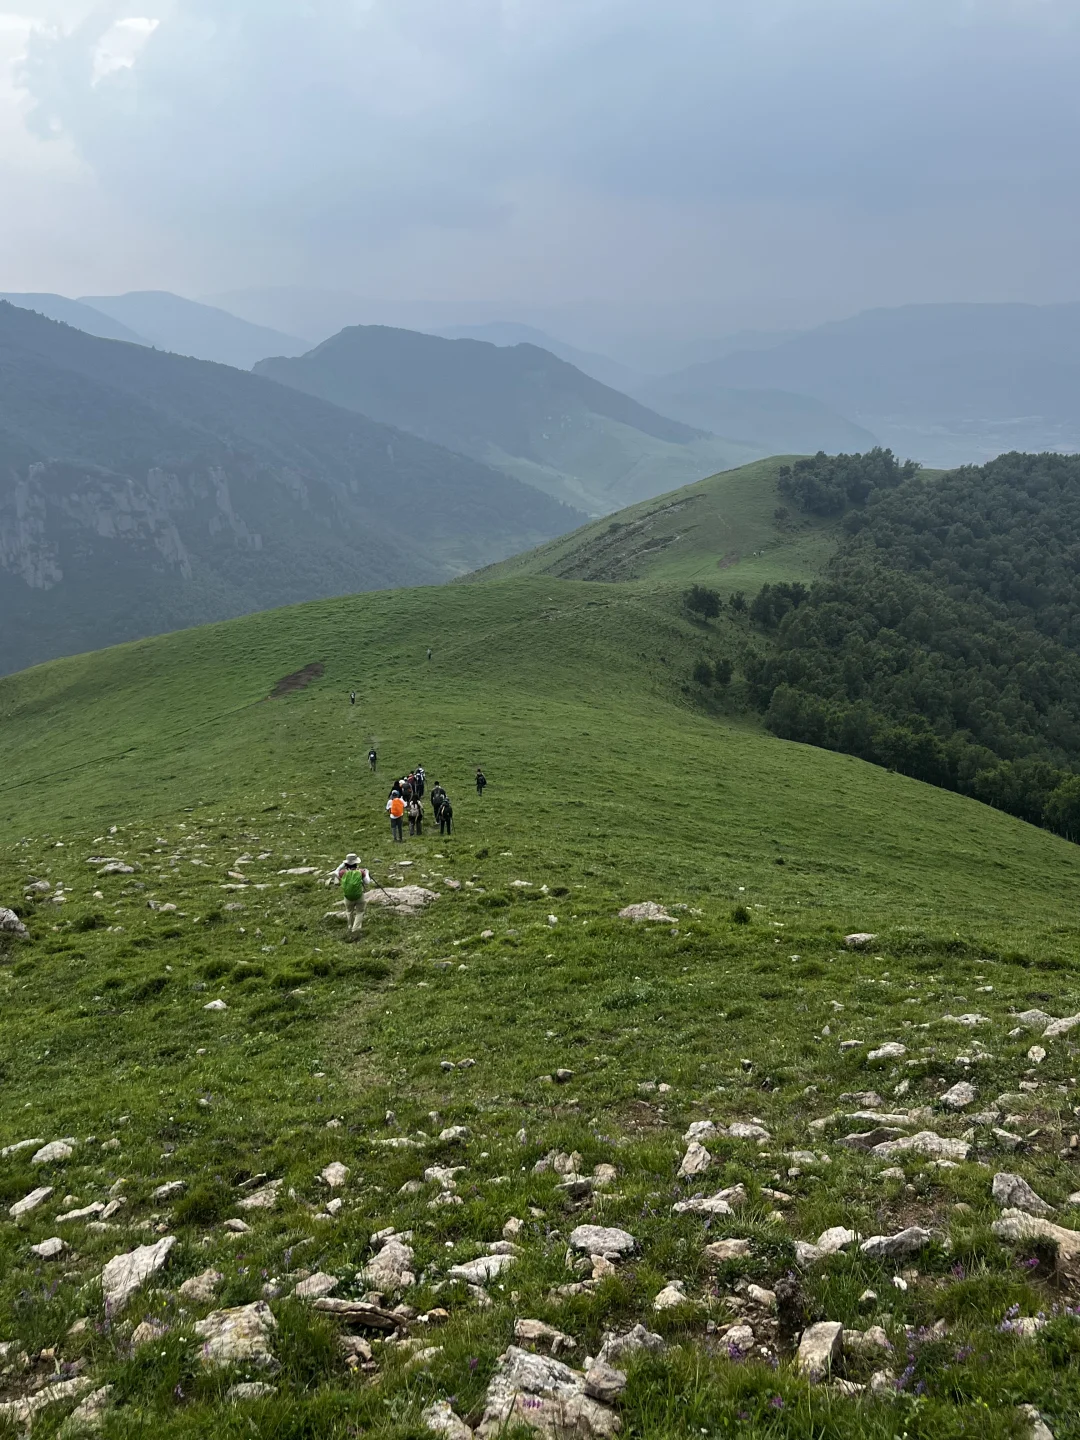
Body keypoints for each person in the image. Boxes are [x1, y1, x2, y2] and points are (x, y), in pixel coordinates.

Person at [331, 852, 372, 939]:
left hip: (347, 896)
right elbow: (367, 882)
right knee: (360, 912)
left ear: (346, 864)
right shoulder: (360, 872)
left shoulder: (342, 873)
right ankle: (355, 929)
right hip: (359, 895)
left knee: (349, 911)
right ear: (356, 863)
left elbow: (335, 873)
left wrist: (342, 865)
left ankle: (350, 927)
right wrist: (367, 873)